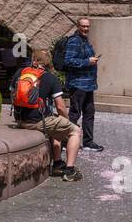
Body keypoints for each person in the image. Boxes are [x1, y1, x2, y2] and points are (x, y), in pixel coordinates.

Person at [11, 48, 83, 181]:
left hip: (20, 119)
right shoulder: (50, 78)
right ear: (48, 63)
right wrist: (68, 122)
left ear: (33, 60)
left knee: (55, 123)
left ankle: (57, 163)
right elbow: (60, 107)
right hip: (37, 122)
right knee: (75, 131)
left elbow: (12, 94)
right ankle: (70, 171)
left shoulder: (20, 73)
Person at [62, 16, 104, 152]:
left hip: (88, 85)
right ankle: (66, 141)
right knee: (75, 114)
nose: (86, 29)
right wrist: (87, 62)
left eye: (87, 26)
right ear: (78, 26)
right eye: (83, 26)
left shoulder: (85, 41)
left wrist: (91, 60)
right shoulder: (74, 41)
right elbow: (68, 61)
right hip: (78, 85)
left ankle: (87, 142)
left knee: (89, 113)